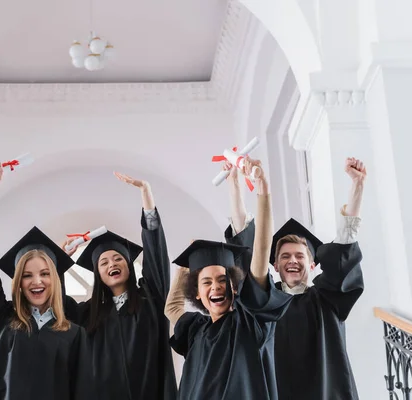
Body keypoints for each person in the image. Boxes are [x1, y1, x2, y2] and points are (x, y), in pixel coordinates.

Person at [224, 157, 366, 400]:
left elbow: (343, 248)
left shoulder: (327, 300)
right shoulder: (265, 304)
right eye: (285, 256)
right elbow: (248, 253)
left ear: (312, 265)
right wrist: (235, 187)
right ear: (276, 266)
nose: (292, 260)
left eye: (299, 256)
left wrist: (357, 187)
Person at [0, 163, 93, 400]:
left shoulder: (74, 335)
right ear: (18, 282)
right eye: (27, 275)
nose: (36, 282)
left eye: (44, 274)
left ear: (55, 278)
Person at [165, 159, 291, 400]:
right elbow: (172, 308)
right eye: (206, 282)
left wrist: (263, 192)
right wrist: (186, 267)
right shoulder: (196, 330)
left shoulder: (247, 322)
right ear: (198, 294)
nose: (216, 286)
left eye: (222, 280)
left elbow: (260, 255)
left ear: (234, 286)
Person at [64, 172, 177, 400]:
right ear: (98, 274)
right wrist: (59, 262)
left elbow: (156, 260)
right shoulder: (86, 314)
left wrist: (147, 199)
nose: (112, 264)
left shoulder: (151, 300)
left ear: (128, 265)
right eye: (104, 262)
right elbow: (57, 308)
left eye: (118, 259)